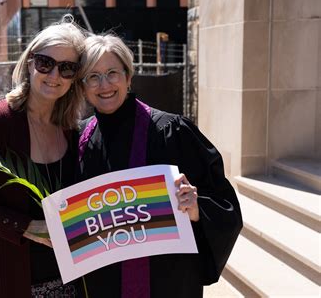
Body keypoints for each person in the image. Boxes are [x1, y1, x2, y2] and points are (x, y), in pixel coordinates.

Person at [77, 33, 243, 297]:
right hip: (102, 284)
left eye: (112, 72)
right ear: (83, 86)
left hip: (167, 282)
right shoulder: (79, 140)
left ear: (128, 76)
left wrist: (197, 208)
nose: (104, 84)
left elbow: (227, 207)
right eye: (93, 76)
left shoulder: (172, 131)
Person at [0, 15, 87, 297]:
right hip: (9, 277)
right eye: (45, 63)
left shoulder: (71, 130)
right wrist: (28, 227)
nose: (54, 76)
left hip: (67, 280)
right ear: (29, 63)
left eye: (67, 68)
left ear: (75, 78)